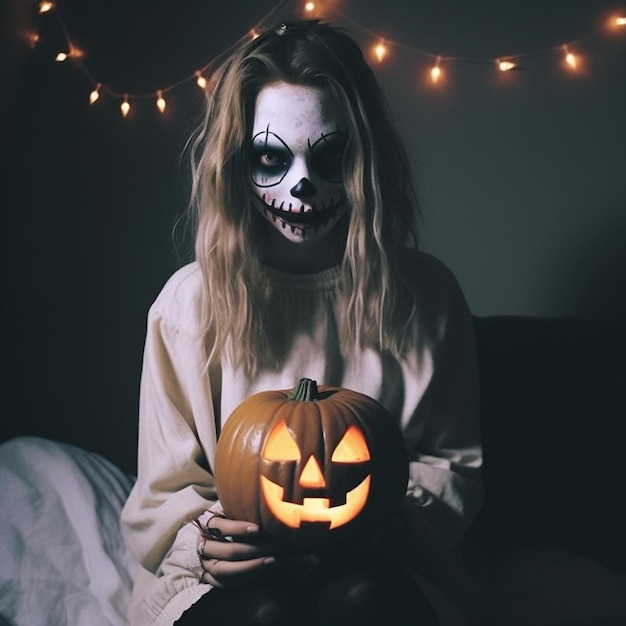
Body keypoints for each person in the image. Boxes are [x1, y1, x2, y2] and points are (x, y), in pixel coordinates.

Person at [120, 19, 484, 626]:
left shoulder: (426, 297)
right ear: (237, 165)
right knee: (262, 611)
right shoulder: (188, 307)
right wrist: (206, 540)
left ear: (363, 158)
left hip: (382, 564)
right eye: (270, 157)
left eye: (330, 155)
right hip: (227, 579)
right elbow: (162, 491)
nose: (302, 185)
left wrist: (395, 528)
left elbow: (452, 467)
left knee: (358, 600)